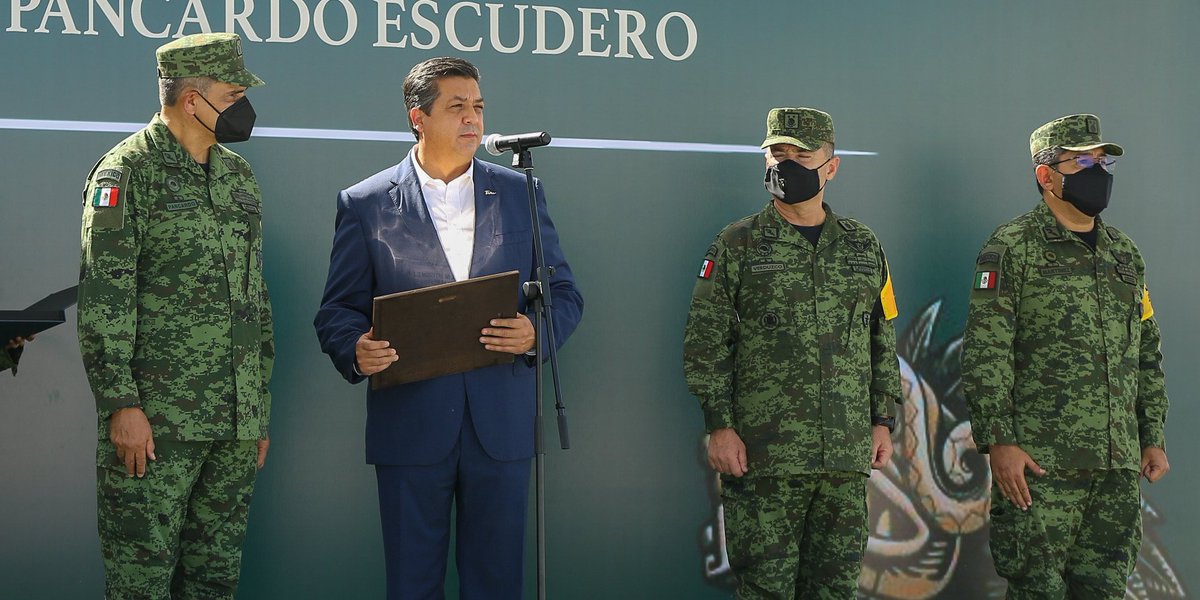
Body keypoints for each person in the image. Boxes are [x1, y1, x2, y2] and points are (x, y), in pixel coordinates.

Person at [313, 56, 584, 599]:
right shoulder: (365, 203)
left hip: (500, 427)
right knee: (412, 585)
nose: (473, 120)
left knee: (497, 584)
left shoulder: (519, 191)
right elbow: (337, 311)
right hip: (410, 426)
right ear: (418, 117)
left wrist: (535, 334)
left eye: (478, 107)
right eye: (457, 107)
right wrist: (355, 349)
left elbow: (563, 293)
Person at [76, 33, 273, 599]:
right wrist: (121, 404)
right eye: (234, 94)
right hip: (157, 424)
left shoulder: (238, 176)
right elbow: (105, 296)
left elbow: (252, 296)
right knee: (141, 584)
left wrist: (255, 405)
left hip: (234, 423)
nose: (245, 108)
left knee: (213, 583)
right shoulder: (125, 173)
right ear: (192, 99)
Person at [683, 107, 902, 599]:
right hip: (764, 458)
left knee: (835, 589)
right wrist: (719, 424)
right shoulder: (737, 243)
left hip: (843, 457)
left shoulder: (863, 246)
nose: (788, 164)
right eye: (778, 153)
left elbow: (881, 334)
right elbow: (705, 340)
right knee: (766, 590)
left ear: (832, 166)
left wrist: (881, 418)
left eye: (802, 155)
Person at [962, 113, 1170, 598]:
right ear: (1046, 175)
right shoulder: (1011, 247)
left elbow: (1145, 351)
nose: (1096, 172)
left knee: (1104, 589)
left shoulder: (1124, 254)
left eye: (1102, 161)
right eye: (1081, 161)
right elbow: (986, 350)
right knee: (1037, 589)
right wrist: (999, 442)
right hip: (1040, 466)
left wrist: (1151, 435)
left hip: (1116, 467)